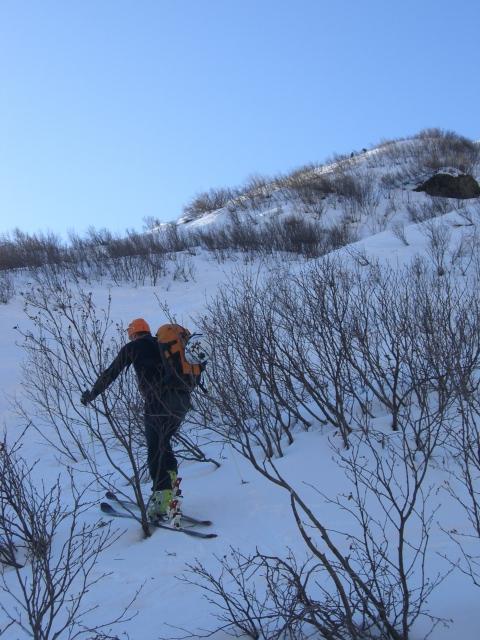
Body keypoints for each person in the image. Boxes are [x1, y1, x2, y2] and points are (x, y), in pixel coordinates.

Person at [80, 318, 191, 521]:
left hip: (158, 402)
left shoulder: (133, 347)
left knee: (155, 449)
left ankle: (162, 499)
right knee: (163, 443)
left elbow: (111, 372)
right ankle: (172, 486)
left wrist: (92, 394)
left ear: (132, 334)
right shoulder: (163, 344)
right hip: (182, 401)